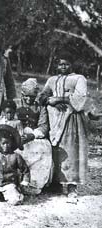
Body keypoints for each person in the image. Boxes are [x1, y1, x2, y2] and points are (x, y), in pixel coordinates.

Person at [39, 53, 88, 200]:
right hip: (54, 118)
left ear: (71, 65)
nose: (63, 67)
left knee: (71, 151)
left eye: (66, 64)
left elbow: (80, 98)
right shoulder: (52, 80)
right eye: (60, 64)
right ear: (56, 65)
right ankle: (56, 183)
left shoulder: (79, 78)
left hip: (71, 118)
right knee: (55, 150)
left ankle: (72, 186)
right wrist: (49, 100)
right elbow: (42, 96)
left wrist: (60, 99)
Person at [16, 78, 53, 195]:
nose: (28, 99)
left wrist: (32, 135)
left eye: (32, 97)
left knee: (44, 148)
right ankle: (16, 181)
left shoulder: (40, 107)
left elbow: (43, 126)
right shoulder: (15, 103)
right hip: (17, 134)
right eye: (26, 96)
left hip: (34, 136)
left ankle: (35, 184)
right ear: (22, 93)